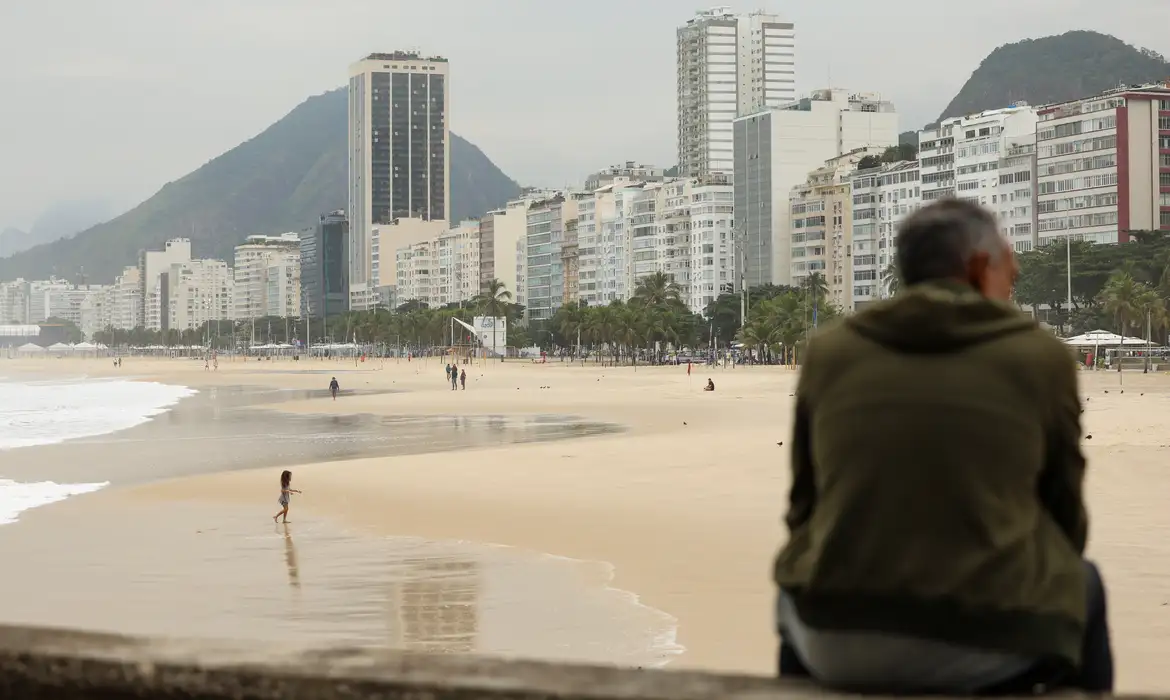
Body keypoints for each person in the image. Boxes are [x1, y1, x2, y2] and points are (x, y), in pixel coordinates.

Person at [774, 198, 1111, 695]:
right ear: (978, 268)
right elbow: (1066, 518)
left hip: (835, 638)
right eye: (1010, 279)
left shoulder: (829, 351)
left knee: (796, 579)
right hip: (992, 642)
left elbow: (804, 507)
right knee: (1086, 582)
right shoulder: (1040, 356)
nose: (1010, 293)